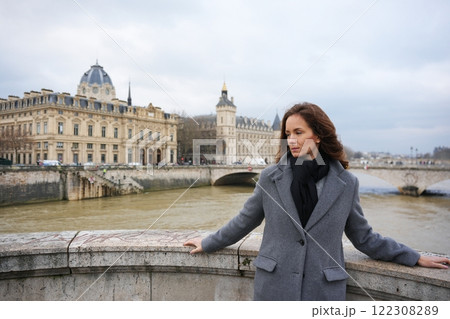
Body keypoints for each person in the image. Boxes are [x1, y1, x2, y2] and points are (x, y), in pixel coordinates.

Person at [183, 102, 449, 301]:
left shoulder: (346, 183)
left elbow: (364, 238)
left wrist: (412, 257)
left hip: (323, 292)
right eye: (288, 133)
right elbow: (243, 222)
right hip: (274, 289)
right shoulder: (270, 177)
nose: (292, 140)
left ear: (318, 135)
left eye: (299, 132)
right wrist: (208, 242)